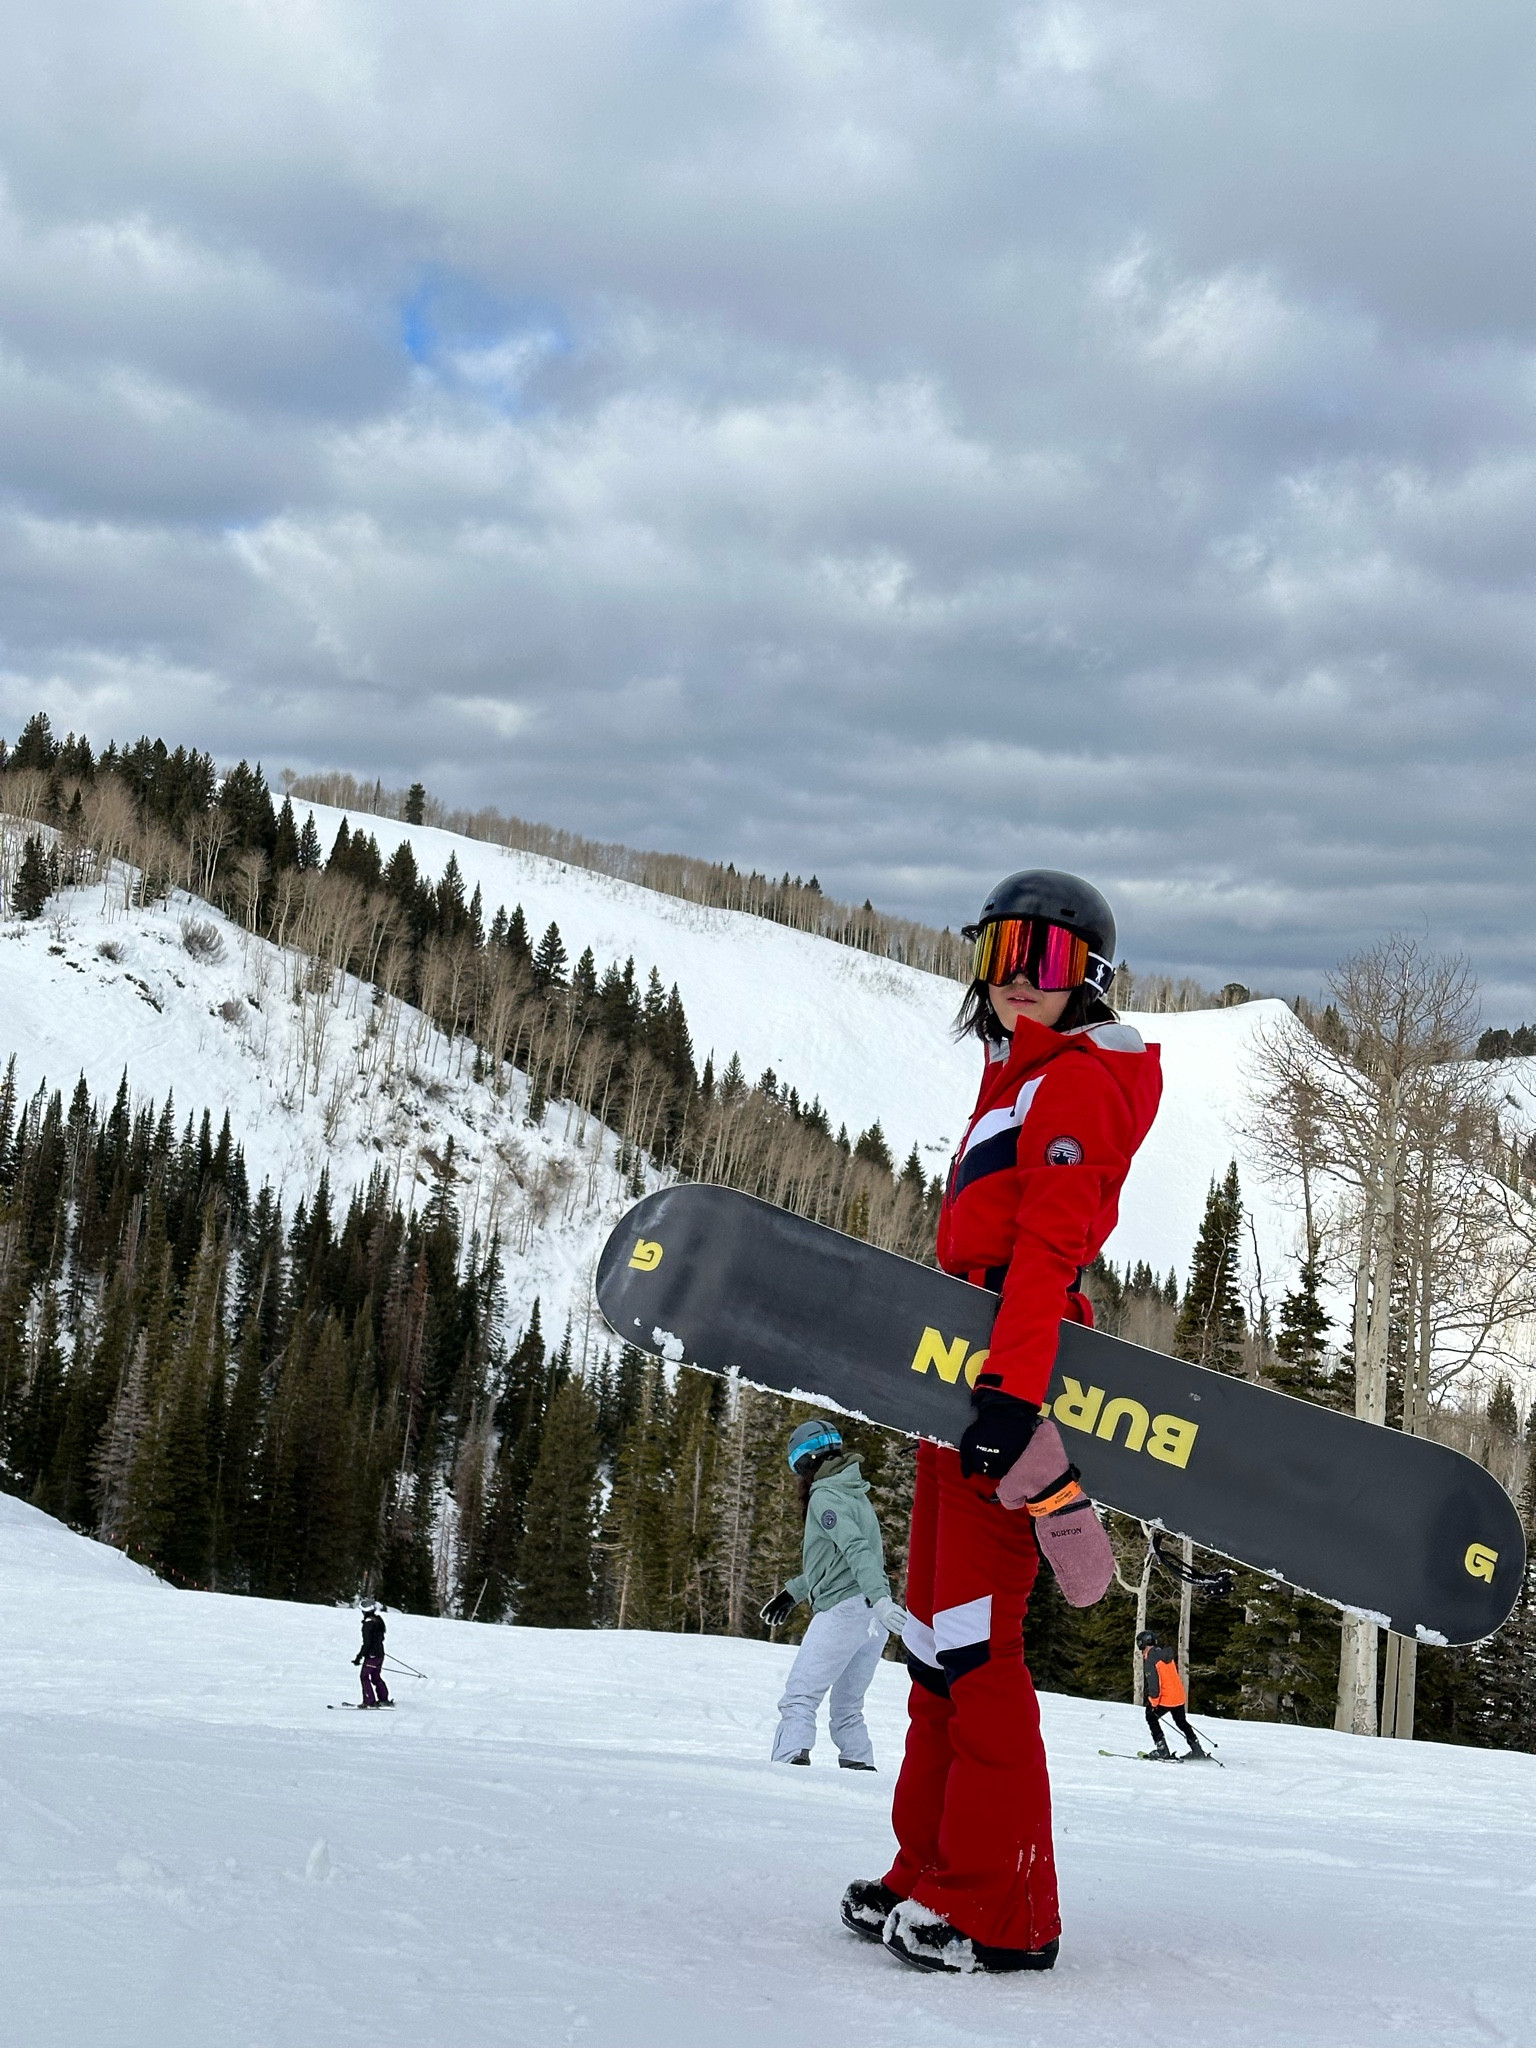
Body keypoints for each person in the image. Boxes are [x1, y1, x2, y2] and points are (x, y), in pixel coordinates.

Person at [841, 870, 1162, 1975]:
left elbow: (1050, 1248)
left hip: (1004, 1372)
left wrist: (1013, 1391)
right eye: (1003, 949)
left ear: (1092, 982)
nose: (1021, 977)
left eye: (1052, 957)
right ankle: (929, 1866)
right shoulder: (1013, 1076)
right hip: (961, 1368)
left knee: (980, 1641)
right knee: (933, 1638)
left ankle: (1007, 1908)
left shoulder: (1071, 1083)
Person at [761, 1418, 908, 1770]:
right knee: (847, 1706)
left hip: (847, 1610)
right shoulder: (853, 1491)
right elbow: (835, 1560)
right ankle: (859, 1768)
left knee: (800, 1697)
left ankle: (787, 1764)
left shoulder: (825, 1495)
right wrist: (793, 1591)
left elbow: (856, 1549)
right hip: (872, 1618)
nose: (801, 1478)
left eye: (799, 1469)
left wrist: (882, 1598)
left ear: (810, 1461)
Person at [1138, 1630, 1208, 1759]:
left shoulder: (1151, 1659)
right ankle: (1196, 1748)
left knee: (1150, 1716)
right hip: (1178, 1696)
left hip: (1166, 1698)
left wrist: (1153, 1703)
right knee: (1181, 1722)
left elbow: (1154, 1685)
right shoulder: (1164, 1654)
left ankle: (1162, 1749)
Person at [353, 1602, 392, 1707]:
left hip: (372, 1655)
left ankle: (369, 1701)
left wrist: (359, 1657)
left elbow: (367, 1643)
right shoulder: (378, 1620)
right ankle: (384, 1699)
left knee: (364, 1676)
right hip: (380, 1653)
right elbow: (380, 1638)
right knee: (375, 1676)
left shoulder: (368, 1624)